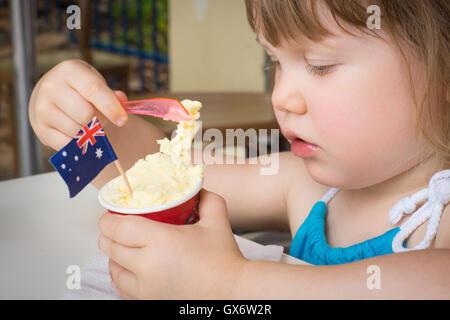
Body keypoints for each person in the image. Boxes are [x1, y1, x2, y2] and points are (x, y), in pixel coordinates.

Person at [28, 0, 449, 299]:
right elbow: (153, 171)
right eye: (275, 64)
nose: (281, 96)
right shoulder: (300, 185)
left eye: (320, 65)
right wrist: (79, 131)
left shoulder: (439, 219)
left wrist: (230, 286)